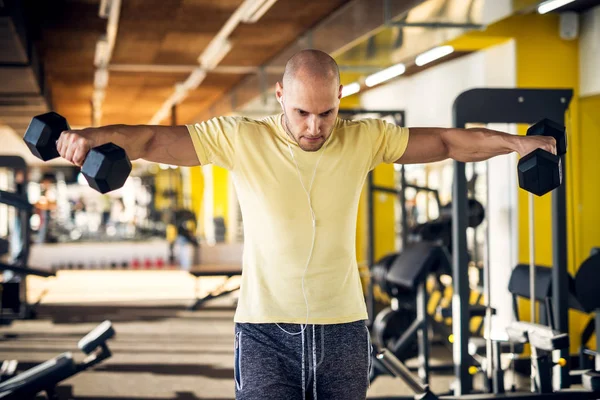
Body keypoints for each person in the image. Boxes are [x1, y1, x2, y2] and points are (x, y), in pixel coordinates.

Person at [55, 49, 556, 400]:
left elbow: (447, 142)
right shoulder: (239, 138)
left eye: (327, 112)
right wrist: (89, 136)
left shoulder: (365, 138)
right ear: (279, 95)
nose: (315, 127)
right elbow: (152, 141)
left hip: (343, 328)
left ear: (341, 95)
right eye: (301, 113)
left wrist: (517, 144)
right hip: (263, 330)